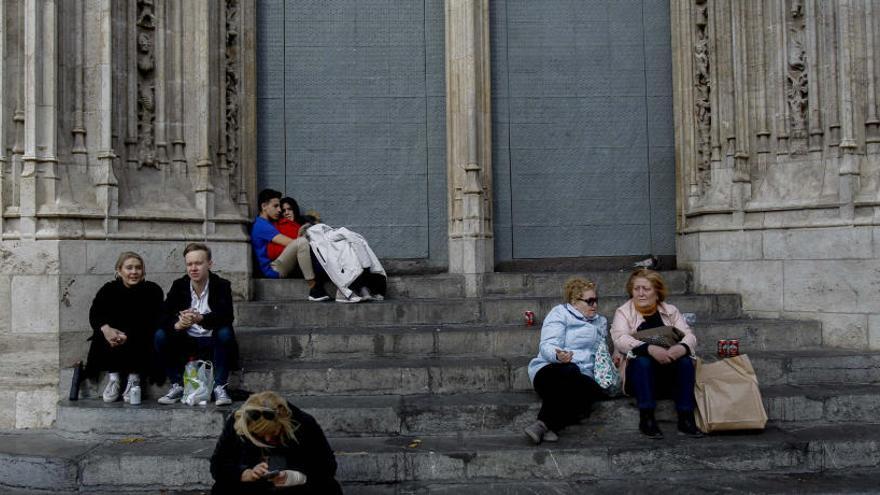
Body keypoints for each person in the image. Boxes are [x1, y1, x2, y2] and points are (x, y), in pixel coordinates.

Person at [611, 268, 701, 438]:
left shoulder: (670, 310)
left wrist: (681, 347)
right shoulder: (623, 312)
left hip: (668, 373)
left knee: (684, 362)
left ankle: (686, 418)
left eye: (646, 289)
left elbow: (689, 336)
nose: (640, 293)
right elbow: (619, 339)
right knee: (642, 361)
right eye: (636, 289)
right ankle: (647, 418)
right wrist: (649, 348)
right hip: (640, 378)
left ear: (657, 292)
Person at [523, 277, 608, 444]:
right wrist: (558, 355)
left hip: (583, 375)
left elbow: (601, 354)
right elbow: (547, 344)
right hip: (550, 370)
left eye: (596, 300)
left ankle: (546, 425)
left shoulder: (601, 322)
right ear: (574, 302)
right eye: (589, 301)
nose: (595, 305)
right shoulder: (560, 313)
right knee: (570, 371)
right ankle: (546, 424)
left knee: (590, 388)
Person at [210, 390, 343, 494]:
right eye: (260, 436)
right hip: (253, 487)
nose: (267, 440)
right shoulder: (238, 422)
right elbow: (218, 465)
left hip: (295, 488)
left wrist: (295, 477)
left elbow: (327, 466)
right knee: (221, 488)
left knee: (329, 488)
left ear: (284, 423)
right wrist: (244, 474)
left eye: (274, 433)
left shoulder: (304, 423)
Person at [154, 243, 239, 406]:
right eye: (189, 264)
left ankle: (220, 386)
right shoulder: (179, 285)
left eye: (198, 263)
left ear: (209, 264)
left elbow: (227, 316)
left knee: (225, 332)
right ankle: (177, 385)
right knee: (160, 335)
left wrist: (200, 318)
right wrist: (177, 324)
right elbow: (163, 315)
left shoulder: (221, 285)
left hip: (212, 338)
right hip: (187, 340)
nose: (193, 268)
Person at [85, 251, 164, 402]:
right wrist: (106, 329)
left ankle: (134, 379)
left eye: (138, 268)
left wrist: (127, 336)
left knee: (143, 336)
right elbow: (95, 314)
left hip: (141, 337)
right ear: (119, 270)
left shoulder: (152, 290)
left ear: (143, 271)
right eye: (129, 268)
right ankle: (114, 379)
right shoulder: (108, 290)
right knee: (102, 333)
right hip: (113, 339)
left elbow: (153, 320)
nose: (134, 272)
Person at [250, 189, 341, 302]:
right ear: (264, 206)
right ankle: (313, 287)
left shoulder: (267, 223)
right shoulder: (261, 226)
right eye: (276, 206)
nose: (279, 210)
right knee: (302, 242)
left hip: (278, 264)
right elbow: (290, 243)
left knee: (305, 244)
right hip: (273, 269)